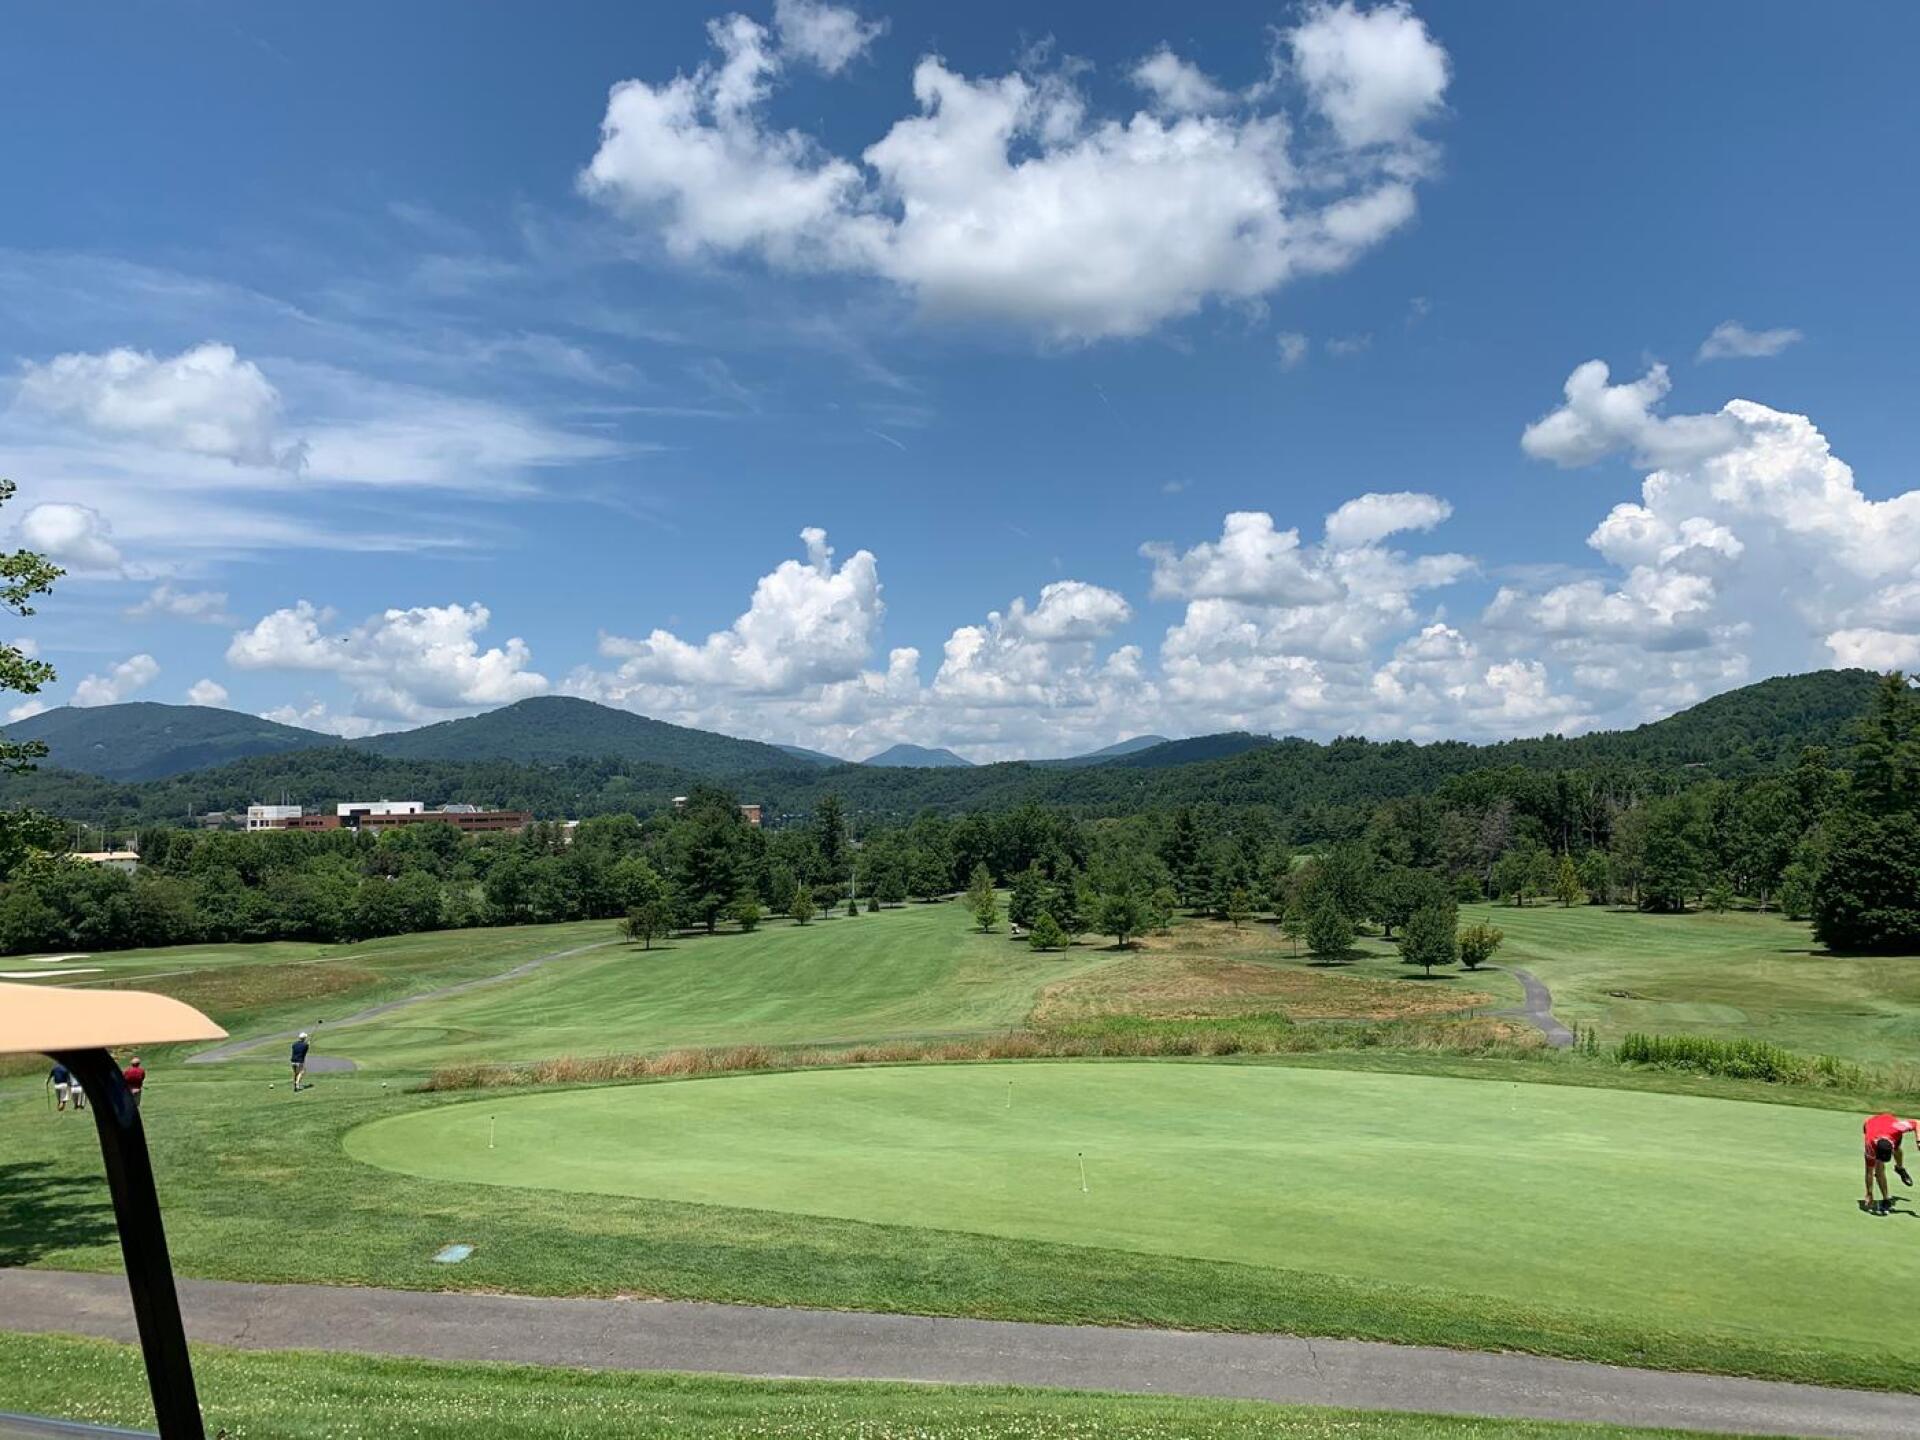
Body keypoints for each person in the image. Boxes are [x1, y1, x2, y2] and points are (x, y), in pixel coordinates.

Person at [1861, 1113, 1918, 1215]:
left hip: (1889, 1125)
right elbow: (1869, 1172)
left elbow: (1917, 1123)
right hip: (1871, 1125)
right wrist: (1869, 1193)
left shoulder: (1896, 1128)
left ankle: (1899, 1168)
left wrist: (1919, 1141)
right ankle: (1886, 1199)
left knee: (1897, 1149)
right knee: (1878, 1168)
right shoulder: (1870, 1145)